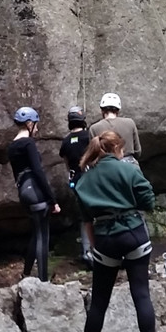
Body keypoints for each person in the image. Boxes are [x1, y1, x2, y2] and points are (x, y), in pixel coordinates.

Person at [64, 131, 157, 332]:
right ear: (115, 148)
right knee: (141, 294)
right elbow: (148, 199)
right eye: (122, 149)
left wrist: (96, 248)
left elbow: (87, 221)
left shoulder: (84, 180)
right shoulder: (128, 170)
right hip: (134, 233)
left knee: (99, 302)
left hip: (105, 239)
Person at [7, 106, 59, 282]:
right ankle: (43, 281)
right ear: (29, 123)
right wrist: (53, 199)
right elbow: (38, 171)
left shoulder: (12, 146)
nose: (36, 129)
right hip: (36, 191)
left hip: (23, 191)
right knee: (43, 236)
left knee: (36, 233)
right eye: (35, 125)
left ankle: (27, 273)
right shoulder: (28, 144)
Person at [59, 106, 93, 264]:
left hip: (77, 180)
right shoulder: (89, 136)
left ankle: (87, 250)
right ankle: (99, 248)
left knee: (84, 215)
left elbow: (67, 163)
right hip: (92, 178)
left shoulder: (66, 142)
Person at [89, 93, 141, 165]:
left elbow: (93, 155)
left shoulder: (94, 128)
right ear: (118, 110)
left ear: (102, 110)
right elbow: (138, 151)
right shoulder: (130, 123)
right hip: (130, 165)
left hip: (106, 167)